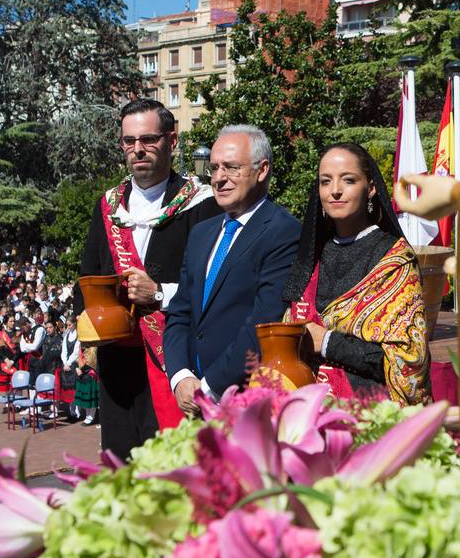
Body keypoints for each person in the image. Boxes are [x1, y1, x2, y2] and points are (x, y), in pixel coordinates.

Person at [75, 99, 220, 458]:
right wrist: (87, 331)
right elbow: (86, 278)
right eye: (129, 141)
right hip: (117, 363)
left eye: (149, 139)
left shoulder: (202, 204)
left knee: (173, 470)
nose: (137, 149)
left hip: (174, 360)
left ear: (172, 142)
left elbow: (213, 285)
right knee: (121, 470)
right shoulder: (108, 206)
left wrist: (158, 294)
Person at [165, 124, 300, 415]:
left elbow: (263, 322)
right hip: (192, 401)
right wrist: (180, 377)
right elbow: (180, 311)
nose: (218, 178)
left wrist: (210, 387)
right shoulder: (202, 233)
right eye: (214, 168)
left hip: (245, 402)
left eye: (231, 167)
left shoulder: (284, 232)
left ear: (262, 170)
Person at [282, 143, 431, 405]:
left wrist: (327, 342)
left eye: (348, 180)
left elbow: (408, 361)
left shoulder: (394, 260)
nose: (335, 190)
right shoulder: (311, 258)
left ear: (371, 188)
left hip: (369, 418)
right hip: (305, 417)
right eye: (325, 182)